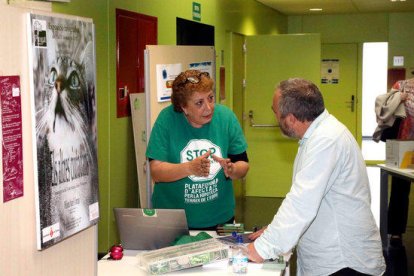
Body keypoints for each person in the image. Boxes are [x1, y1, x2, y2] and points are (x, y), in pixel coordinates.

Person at [247, 78, 385, 275]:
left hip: (344, 261)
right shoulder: (320, 135)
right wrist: (274, 231)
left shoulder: (326, 141)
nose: (275, 119)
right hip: (334, 256)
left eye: (275, 113)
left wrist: (262, 248)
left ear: (291, 118)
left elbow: (301, 203)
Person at [146, 69, 249, 229]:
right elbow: (156, 171)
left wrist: (232, 169)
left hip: (221, 218)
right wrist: (189, 168)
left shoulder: (226, 117)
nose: (209, 108)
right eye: (199, 103)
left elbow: (243, 164)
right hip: (173, 220)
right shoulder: (166, 120)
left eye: (211, 98)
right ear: (184, 107)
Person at [373, 78, 413, 248]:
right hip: (403, 144)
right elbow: (387, 107)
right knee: (400, 187)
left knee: (400, 188)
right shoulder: (401, 86)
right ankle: (396, 231)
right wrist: (400, 98)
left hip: (405, 143)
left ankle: (396, 232)